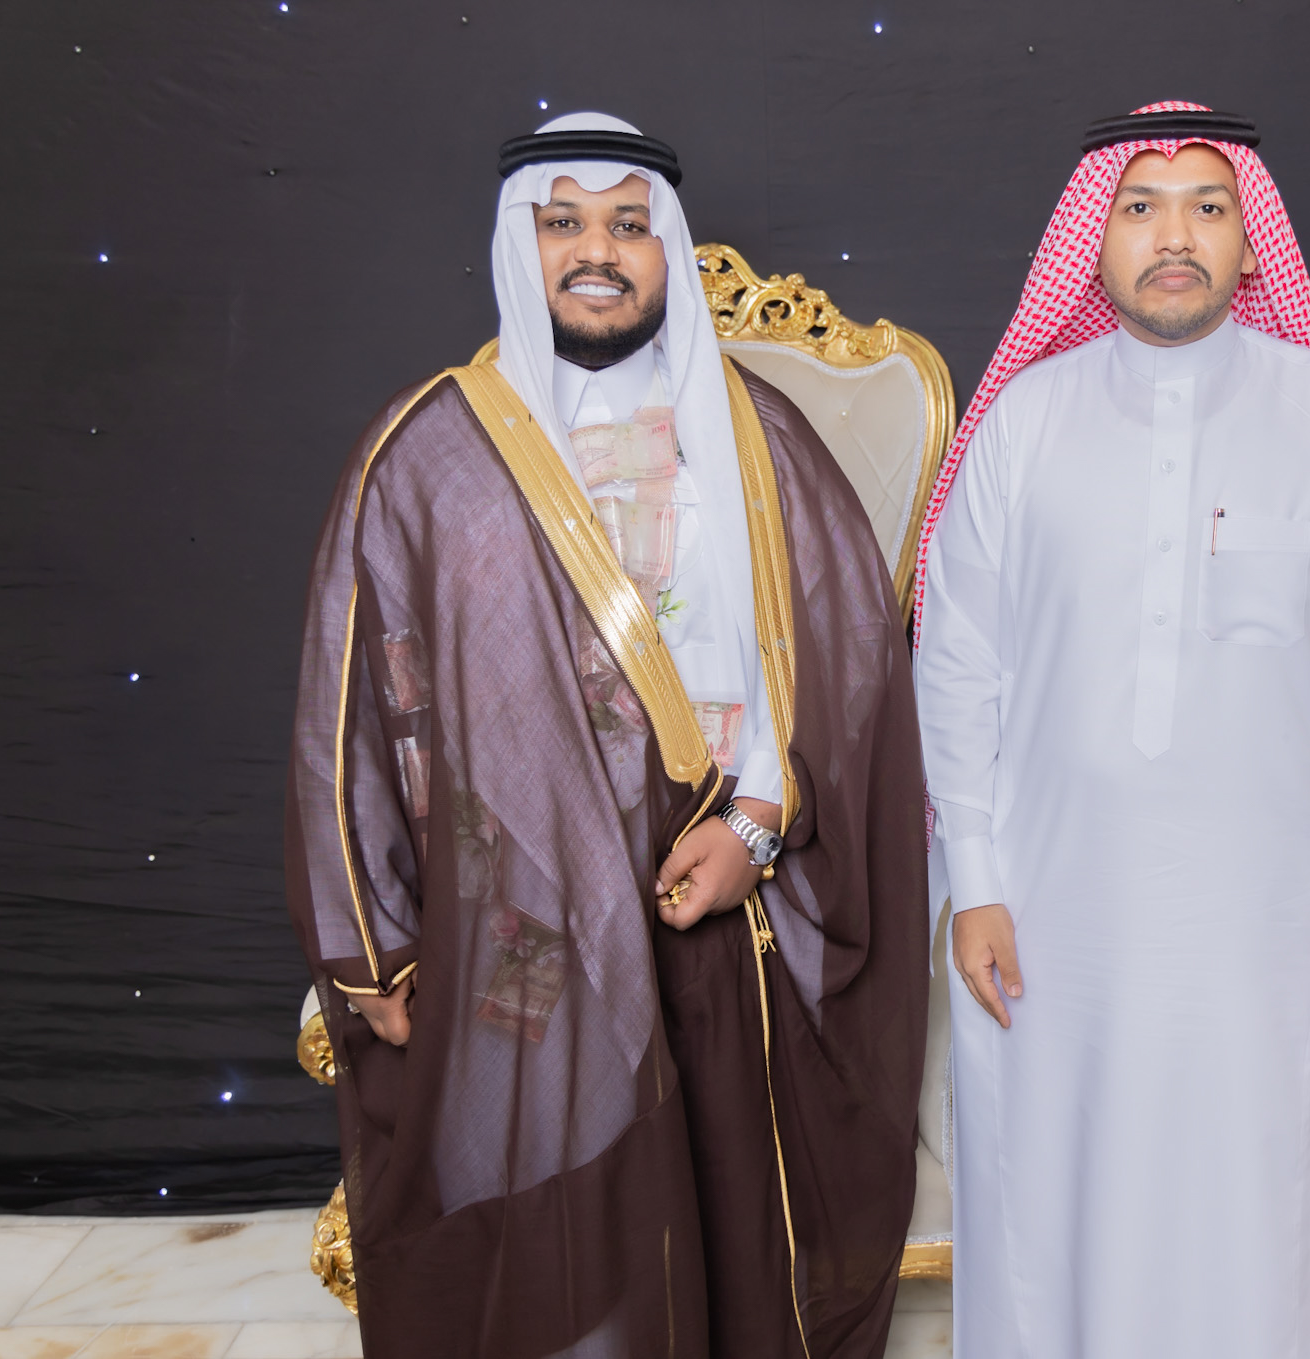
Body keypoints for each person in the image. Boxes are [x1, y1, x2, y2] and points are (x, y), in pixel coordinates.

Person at [283, 111, 927, 1359]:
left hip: (714, 894)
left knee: (727, 1225)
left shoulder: (759, 441)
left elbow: (848, 671)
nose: (596, 251)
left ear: (665, 248)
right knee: (555, 1227)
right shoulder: (428, 452)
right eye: (561, 223)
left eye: (627, 225)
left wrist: (757, 823)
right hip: (512, 921)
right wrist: (374, 944)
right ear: (513, 245)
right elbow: (349, 712)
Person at [914, 101, 1310, 1357]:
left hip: (1277, 923)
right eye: (1139, 207)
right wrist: (974, 880)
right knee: (1054, 1195)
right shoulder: (1025, 421)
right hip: (1050, 914)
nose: (1174, 237)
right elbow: (957, 660)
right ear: (1091, 240)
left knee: (1256, 1202)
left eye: (1207, 206)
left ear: (1250, 243)